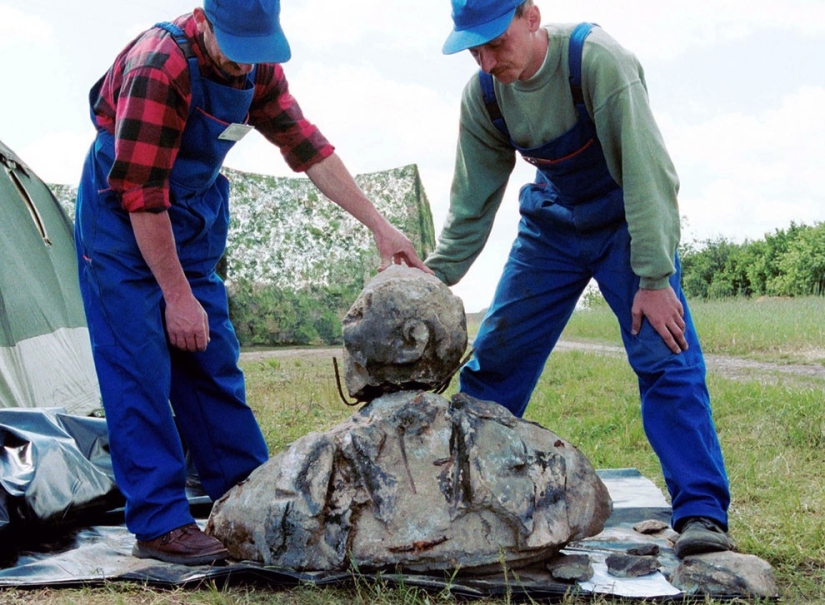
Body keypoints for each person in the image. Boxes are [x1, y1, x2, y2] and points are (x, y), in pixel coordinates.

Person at [74, 0, 429, 566]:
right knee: (138, 366)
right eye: (236, 51)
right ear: (207, 23)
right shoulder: (158, 67)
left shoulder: (258, 67)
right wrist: (176, 296)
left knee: (212, 358)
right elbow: (141, 195)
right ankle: (161, 523)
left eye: (255, 53)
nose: (244, 67)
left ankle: (245, 496)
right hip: (124, 222)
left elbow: (308, 149)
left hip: (192, 217)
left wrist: (381, 226)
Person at [426, 0, 734, 559]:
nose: (488, 60)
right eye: (474, 49)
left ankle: (702, 513)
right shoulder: (485, 95)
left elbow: (649, 172)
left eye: (497, 42)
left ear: (532, 16)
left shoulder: (597, 62)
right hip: (552, 225)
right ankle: (458, 500)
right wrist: (432, 278)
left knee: (665, 353)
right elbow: (472, 204)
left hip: (625, 221)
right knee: (496, 363)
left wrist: (655, 277)